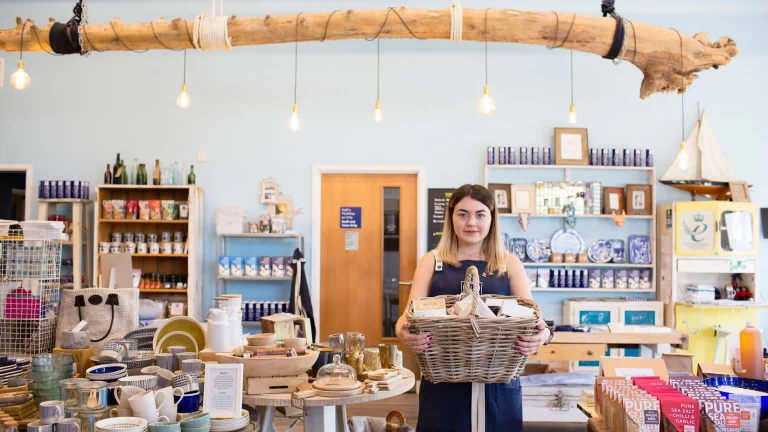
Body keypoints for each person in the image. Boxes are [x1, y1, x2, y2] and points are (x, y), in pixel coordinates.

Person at [395, 184, 553, 431]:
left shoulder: (508, 263)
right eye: (463, 214)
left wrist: (543, 336)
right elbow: (406, 317)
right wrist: (402, 333)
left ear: (491, 218)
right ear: (451, 217)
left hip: (498, 384)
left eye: (480, 214)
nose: (471, 223)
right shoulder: (432, 261)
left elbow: (536, 319)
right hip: (444, 382)